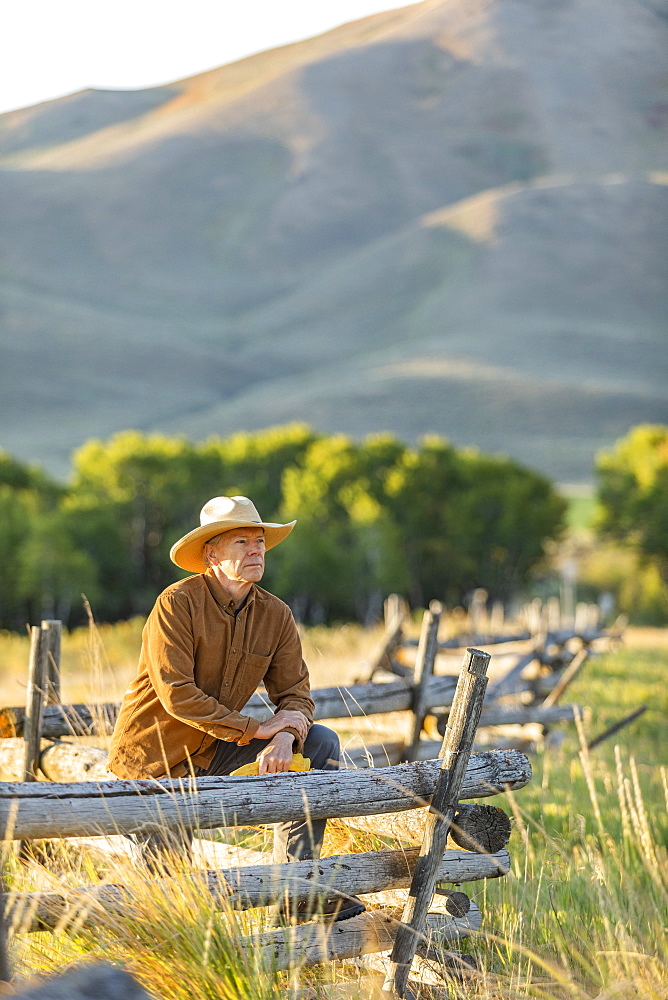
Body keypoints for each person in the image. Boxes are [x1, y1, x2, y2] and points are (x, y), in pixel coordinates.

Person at [108, 495, 364, 922]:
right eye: (242, 542)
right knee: (168, 903)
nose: (256, 551)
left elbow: (297, 694)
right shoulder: (176, 604)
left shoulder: (275, 614)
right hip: (158, 760)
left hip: (218, 750)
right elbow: (177, 694)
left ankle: (298, 890)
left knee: (320, 744)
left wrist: (283, 733)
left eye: (260, 542)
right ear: (211, 554)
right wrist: (255, 729)